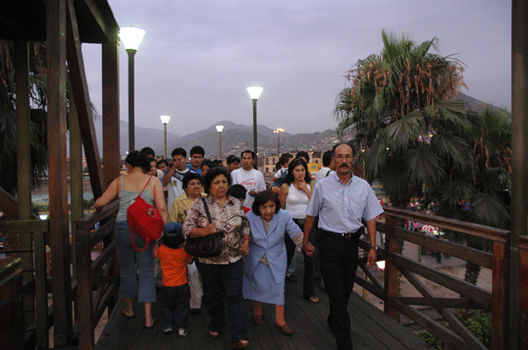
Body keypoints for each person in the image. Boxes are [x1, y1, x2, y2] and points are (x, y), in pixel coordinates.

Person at [303, 143, 383, 350]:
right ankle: (345, 344)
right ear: (334, 160)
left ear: (353, 159)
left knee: (346, 289)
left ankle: (333, 318)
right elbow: (311, 214)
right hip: (328, 243)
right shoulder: (323, 186)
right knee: (337, 293)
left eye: (348, 156)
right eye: (340, 156)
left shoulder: (363, 186)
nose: (344, 160)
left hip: (351, 244)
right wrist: (305, 241)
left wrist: (373, 246)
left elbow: (371, 217)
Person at [94, 151, 168, 328]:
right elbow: (162, 208)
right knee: (147, 271)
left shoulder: (120, 182)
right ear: (144, 165)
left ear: (128, 165)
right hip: (146, 231)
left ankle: (129, 308)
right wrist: (160, 233)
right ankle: (149, 317)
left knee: (127, 269)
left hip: (123, 227)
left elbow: (100, 203)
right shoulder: (153, 181)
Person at [182, 167, 250, 349]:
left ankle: (239, 334)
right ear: (209, 186)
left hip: (234, 258)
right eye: (217, 182)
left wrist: (246, 241)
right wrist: (204, 230)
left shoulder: (236, 202)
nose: (221, 186)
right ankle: (216, 324)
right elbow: (186, 228)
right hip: (208, 260)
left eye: (224, 182)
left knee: (235, 295)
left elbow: (244, 224)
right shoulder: (199, 204)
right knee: (212, 296)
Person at [243, 191, 303, 336]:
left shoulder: (284, 216)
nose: (269, 210)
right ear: (258, 208)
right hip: (256, 257)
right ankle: (257, 313)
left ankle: (280, 321)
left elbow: (295, 232)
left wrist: (304, 245)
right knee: (257, 285)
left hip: (276, 257)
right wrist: (244, 245)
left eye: (272, 206)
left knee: (278, 287)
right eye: (264, 207)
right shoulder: (249, 217)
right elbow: (245, 236)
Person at [279, 158, 319, 303]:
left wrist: (306, 190)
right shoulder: (286, 186)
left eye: (302, 170)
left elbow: (315, 203)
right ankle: (280, 285)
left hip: (307, 223)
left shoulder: (311, 185)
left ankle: (309, 291)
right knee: (287, 255)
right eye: (297, 170)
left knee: (310, 257)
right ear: (291, 172)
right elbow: (281, 208)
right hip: (291, 224)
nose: (300, 173)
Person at [169, 172, 204, 313]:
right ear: (185, 188)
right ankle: (195, 303)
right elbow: (173, 223)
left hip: (207, 242)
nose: (196, 187)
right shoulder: (179, 202)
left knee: (205, 272)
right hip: (188, 243)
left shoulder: (208, 199)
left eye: (198, 184)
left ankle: (204, 297)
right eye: (192, 184)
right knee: (193, 272)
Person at [154, 222, 193, 336]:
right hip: (182, 284)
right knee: (182, 307)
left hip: (166, 285)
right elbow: (190, 260)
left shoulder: (161, 251)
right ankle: (182, 328)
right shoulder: (184, 252)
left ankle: (167, 326)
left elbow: (154, 253)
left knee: (167, 306)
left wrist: (157, 242)